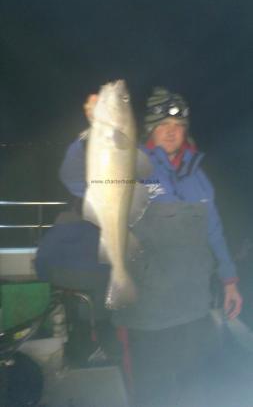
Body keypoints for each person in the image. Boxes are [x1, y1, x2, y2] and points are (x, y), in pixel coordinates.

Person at [58, 86, 242, 406]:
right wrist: (92, 133)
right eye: (163, 125)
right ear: (150, 129)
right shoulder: (132, 164)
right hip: (146, 311)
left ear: (185, 130)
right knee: (151, 394)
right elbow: (73, 179)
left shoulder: (198, 177)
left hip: (194, 308)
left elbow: (214, 231)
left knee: (194, 391)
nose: (171, 132)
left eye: (178, 125)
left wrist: (229, 280)